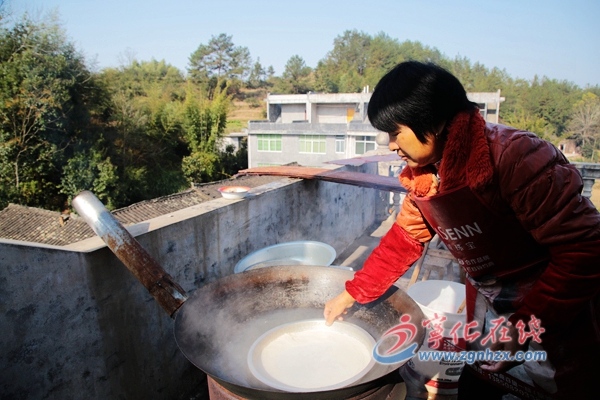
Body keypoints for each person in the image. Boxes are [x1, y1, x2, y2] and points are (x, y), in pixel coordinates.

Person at [323, 61, 600, 399]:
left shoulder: (515, 158)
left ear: (435, 121)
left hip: (553, 309)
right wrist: (353, 292)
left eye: (395, 132)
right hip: (489, 305)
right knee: (479, 386)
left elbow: (585, 249)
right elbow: (404, 239)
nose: (391, 145)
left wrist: (525, 324)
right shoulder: (426, 175)